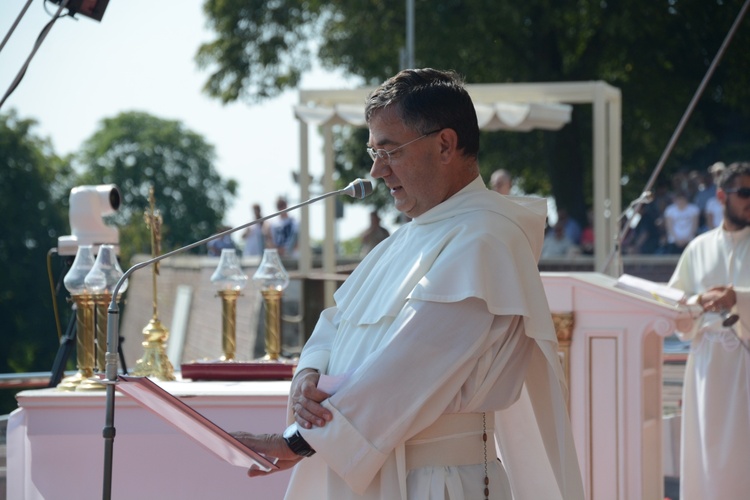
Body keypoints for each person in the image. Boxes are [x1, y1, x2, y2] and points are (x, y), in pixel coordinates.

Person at [232, 68, 583, 499]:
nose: (378, 170)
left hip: (438, 480)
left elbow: (414, 362)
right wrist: (308, 376)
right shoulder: (407, 237)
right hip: (362, 467)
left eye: (390, 150)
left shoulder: (486, 237)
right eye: (373, 152)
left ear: (445, 144)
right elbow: (335, 322)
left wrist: (299, 440)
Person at [668, 161, 750, 499]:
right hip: (706, 366)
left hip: (745, 365)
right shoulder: (697, 248)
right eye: (744, 192)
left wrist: (737, 298)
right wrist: (699, 300)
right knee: (707, 453)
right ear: (721, 196)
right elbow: (673, 304)